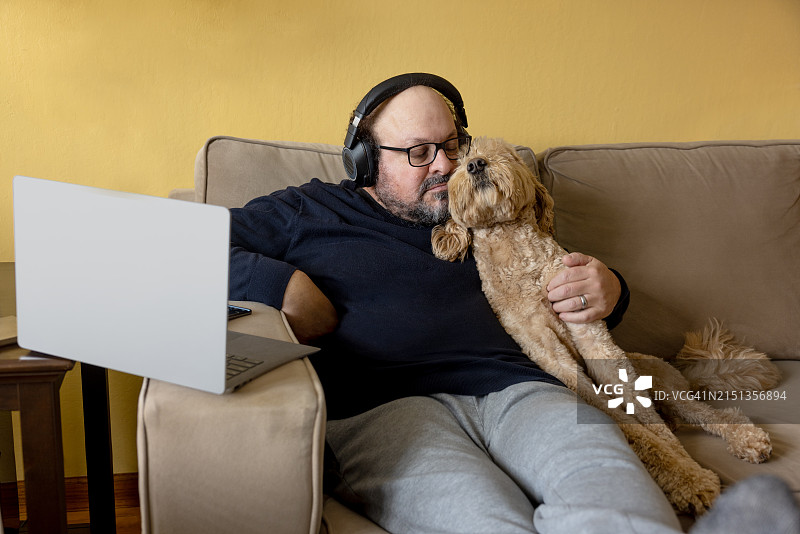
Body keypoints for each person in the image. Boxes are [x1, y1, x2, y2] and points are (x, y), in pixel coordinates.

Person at [228, 74, 797, 533]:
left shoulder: (487, 202)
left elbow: (561, 289)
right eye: (419, 153)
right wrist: (285, 290)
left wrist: (611, 289)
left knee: (613, 494)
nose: (445, 167)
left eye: (451, 145)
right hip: (386, 411)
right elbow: (181, 245)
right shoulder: (306, 210)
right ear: (364, 162)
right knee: (483, 520)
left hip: (526, 388)